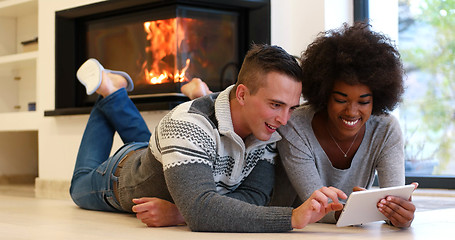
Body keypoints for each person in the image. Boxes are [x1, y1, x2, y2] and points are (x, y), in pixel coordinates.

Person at [69, 44, 348, 232]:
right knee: (78, 185)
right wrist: (292, 217)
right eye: (276, 105)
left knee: (165, 145)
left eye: (291, 108)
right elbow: (201, 211)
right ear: (241, 95)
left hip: (172, 156)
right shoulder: (187, 124)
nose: (285, 120)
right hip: (120, 177)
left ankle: (130, 94)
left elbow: (255, 196)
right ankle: (110, 91)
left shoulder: (268, 128)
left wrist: (182, 212)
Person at [271, 22, 417, 228]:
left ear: (377, 99)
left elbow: (392, 199)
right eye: (341, 100)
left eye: (364, 101)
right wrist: (357, 211)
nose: (352, 111)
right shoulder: (295, 125)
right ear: (324, 94)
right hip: (293, 231)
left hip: (350, 232)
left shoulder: (385, 130)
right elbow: (315, 206)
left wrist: (399, 214)